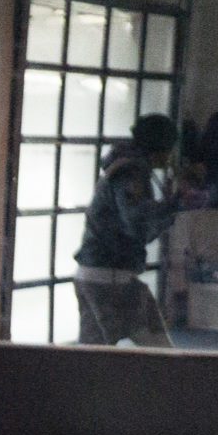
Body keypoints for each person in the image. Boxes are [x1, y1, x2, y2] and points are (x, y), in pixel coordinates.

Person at [72, 113, 185, 347]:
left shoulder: (120, 167)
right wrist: (172, 205)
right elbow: (136, 223)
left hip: (90, 274)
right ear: (160, 147)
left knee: (90, 357)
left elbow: (137, 228)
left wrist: (169, 209)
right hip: (113, 278)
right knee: (160, 354)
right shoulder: (132, 172)